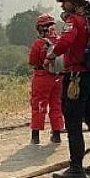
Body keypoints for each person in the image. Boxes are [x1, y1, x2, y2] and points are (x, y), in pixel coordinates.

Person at [47, 0, 90, 178]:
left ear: (73, 1)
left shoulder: (74, 22)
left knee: (73, 122)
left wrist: (50, 55)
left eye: (64, 2)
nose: (62, 6)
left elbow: (65, 42)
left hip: (76, 78)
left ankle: (76, 168)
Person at [28, 13, 64, 145]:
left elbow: (32, 62)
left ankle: (35, 136)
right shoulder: (60, 41)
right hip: (58, 77)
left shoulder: (39, 43)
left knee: (39, 106)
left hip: (42, 77)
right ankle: (56, 135)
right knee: (56, 105)